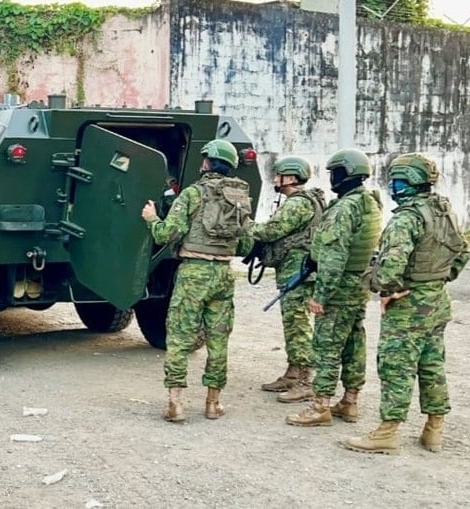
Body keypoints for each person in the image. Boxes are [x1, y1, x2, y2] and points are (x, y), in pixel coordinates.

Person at [344, 153, 469, 454]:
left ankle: (387, 432)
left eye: (398, 180)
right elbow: (461, 253)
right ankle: (433, 430)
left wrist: (386, 289)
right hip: (437, 301)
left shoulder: (406, 218)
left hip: (409, 308)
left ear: (411, 182)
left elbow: (388, 272)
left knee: (396, 367)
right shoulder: (443, 210)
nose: (393, 186)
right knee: (432, 364)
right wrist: (435, 280)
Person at [140, 139, 252, 423]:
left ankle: (175, 404)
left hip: (194, 272)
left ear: (206, 163)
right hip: (224, 273)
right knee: (218, 339)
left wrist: (152, 219)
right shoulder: (239, 197)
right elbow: (246, 243)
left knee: (179, 337)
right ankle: (213, 403)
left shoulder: (193, 193)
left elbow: (168, 233)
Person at [286, 148, 382, 427]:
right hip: (358, 283)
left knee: (326, 346)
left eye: (335, 172)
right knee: (354, 342)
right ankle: (350, 401)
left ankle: (320, 406)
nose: (332, 177)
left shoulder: (344, 208)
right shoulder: (370, 201)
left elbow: (333, 255)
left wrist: (321, 295)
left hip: (338, 286)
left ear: (346, 173)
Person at [250, 156, 326, 403]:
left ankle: (305, 380)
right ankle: (293, 373)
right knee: (292, 324)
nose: (274, 180)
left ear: (291, 178)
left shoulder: (297, 204)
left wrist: (246, 227)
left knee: (298, 326)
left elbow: (272, 231)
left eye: (278, 175)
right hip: (296, 272)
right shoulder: (305, 201)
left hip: (298, 274)